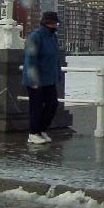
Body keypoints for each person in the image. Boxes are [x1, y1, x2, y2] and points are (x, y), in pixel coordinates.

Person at [22, 11, 62, 144]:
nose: (55, 25)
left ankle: (41, 130)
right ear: (45, 23)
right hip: (36, 80)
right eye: (52, 23)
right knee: (36, 106)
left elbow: (55, 58)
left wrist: (58, 75)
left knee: (52, 105)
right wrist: (34, 80)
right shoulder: (35, 37)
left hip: (49, 79)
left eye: (55, 23)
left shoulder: (53, 37)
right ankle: (33, 133)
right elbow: (30, 59)